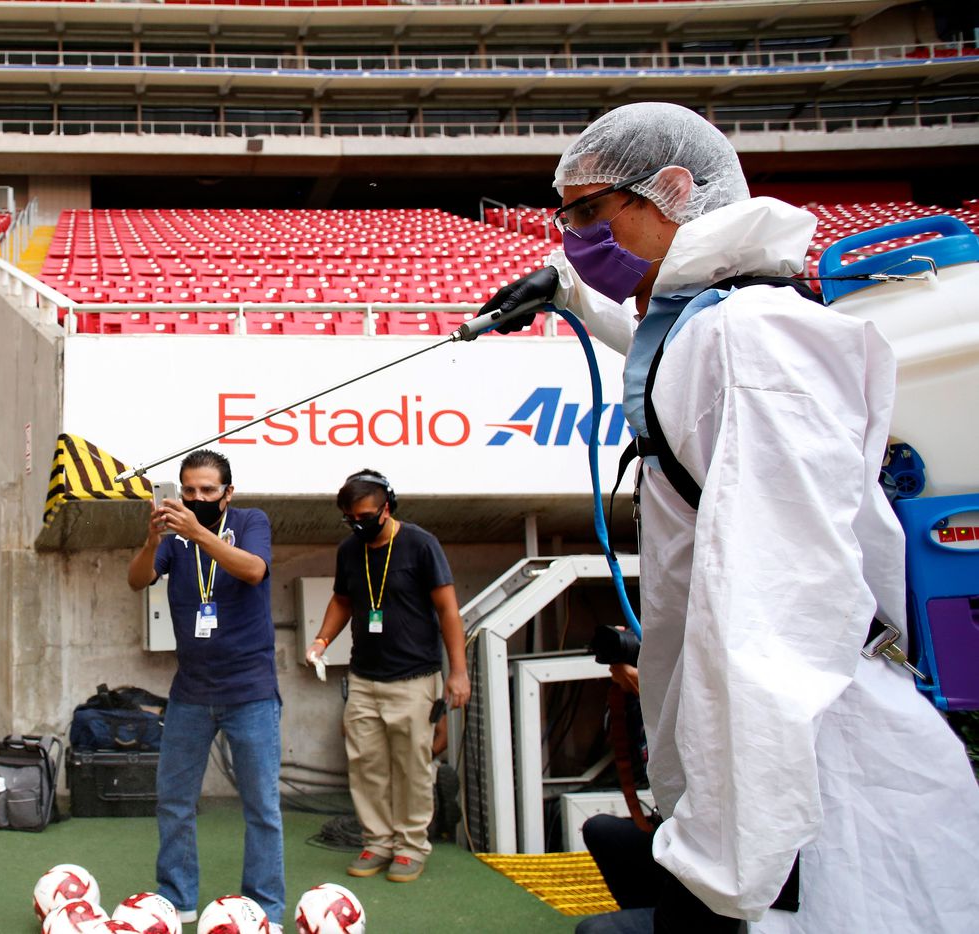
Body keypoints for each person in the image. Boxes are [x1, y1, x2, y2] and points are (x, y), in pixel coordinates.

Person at [481, 102, 979, 931]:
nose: (573, 236)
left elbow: (780, 621)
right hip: (771, 799)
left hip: (814, 816)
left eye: (589, 212)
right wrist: (566, 290)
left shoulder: (755, 344)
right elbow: (663, 350)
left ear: (672, 189)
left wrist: (718, 878)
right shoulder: (715, 324)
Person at [127, 449, 285, 931]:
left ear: (227, 493)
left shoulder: (250, 520)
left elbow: (253, 569)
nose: (196, 499)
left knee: (261, 807)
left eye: (207, 491)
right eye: (188, 491)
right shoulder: (173, 536)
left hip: (251, 690)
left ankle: (265, 909)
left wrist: (197, 531)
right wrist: (153, 539)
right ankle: (177, 899)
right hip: (190, 691)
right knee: (174, 801)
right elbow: (137, 581)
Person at [305, 470, 469, 884]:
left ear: (387, 507)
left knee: (413, 767)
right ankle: (377, 841)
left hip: (415, 678)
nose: (357, 524)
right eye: (349, 518)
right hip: (364, 678)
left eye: (363, 515)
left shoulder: (420, 544)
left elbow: (449, 611)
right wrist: (322, 640)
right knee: (366, 766)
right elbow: (342, 600)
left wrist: (459, 673)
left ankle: (411, 846)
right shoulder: (350, 550)